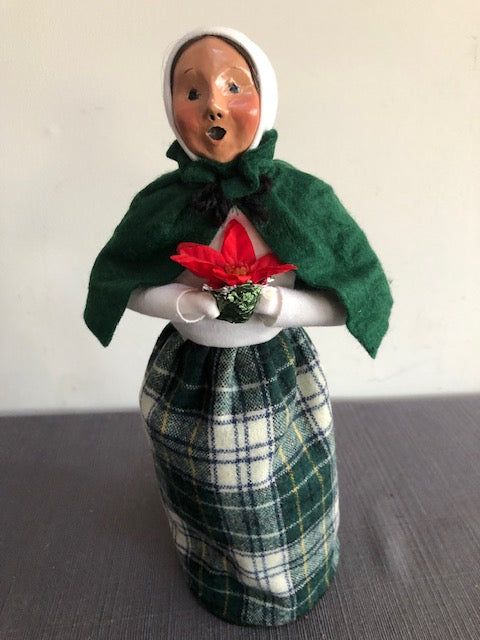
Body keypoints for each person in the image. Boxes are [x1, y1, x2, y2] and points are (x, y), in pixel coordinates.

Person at [84, 27, 392, 626]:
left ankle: (293, 576)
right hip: (189, 372)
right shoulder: (163, 203)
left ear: (265, 96)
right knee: (199, 484)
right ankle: (212, 574)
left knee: (268, 487)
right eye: (192, 91)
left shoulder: (301, 200)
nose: (213, 106)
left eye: (232, 86)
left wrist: (277, 308)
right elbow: (127, 283)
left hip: (273, 373)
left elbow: (343, 296)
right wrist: (184, 305)